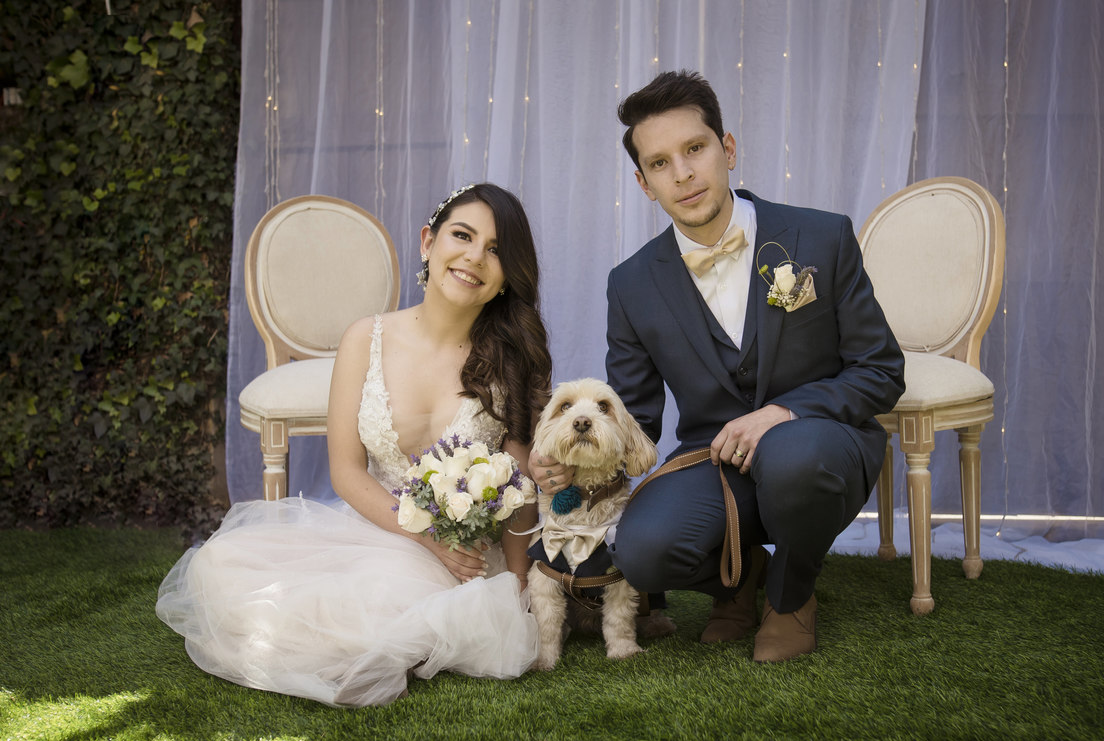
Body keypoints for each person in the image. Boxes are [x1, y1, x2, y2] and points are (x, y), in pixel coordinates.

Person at [530, 70, 905, 662]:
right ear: (644, 183)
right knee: (641, 548)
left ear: (726, 150)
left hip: (822, 448)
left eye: (695, 149)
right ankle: (737, 576)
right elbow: (637, 417)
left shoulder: (821, 236)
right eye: (659, 163)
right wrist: (568, 459)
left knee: (793, 455)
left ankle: (791, 594)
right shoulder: (631, 284)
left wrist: (783, 412)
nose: (682, 173)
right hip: (715, 462)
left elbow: (881, 370)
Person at [157, 183, 552, 706]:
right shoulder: (364, 337)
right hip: (377, 526)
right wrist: (428, 536)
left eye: (497, 250)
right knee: (222, 563)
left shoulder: (508, 357)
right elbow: (346, 473)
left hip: (465, 558)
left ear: (506, 278)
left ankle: (367, 637)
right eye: (463, 235)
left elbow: (520, 480)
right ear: (427, 243)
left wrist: (517, 584)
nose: (475, 257)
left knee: (381, 607)